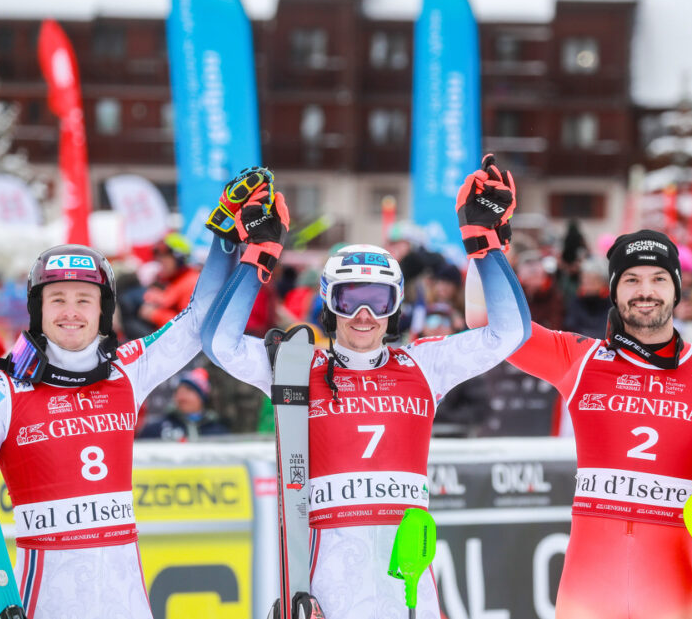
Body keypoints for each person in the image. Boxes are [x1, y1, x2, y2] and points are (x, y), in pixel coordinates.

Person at [201, 155, 530, 619]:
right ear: (329, 305)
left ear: (394, 307)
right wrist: (259, 254)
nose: (363, 314)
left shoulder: (422, 365)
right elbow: (219, 343)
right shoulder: (296, 366)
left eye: (377, 300)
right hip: (326, 585)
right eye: (350, 298)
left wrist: (484, 243)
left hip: (406, 584)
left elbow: (510, 333)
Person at [0, 202, 247, 616]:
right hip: (45, 602)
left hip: (126, 603)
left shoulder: (128, 369)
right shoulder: (3, 391)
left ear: (102, 311)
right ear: (38, 310)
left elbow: (196, 321)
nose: (71, 312)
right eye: (57, 299)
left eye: (85, 299)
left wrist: (228, 238)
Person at [467, 229, 692, 619]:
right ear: (614, 291)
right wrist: (481, 244)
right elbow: (486, 322)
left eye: (658, 279)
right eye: (631, 279)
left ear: (677, 290)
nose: (644, 291)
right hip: (588, 594)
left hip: (674, 594)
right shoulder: (580, 359)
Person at [138, 367, 229, 440]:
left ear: (201, 397)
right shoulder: (156, 429)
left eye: (189, 390)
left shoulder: (218, 431)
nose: (181, 395)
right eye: (178, 391)